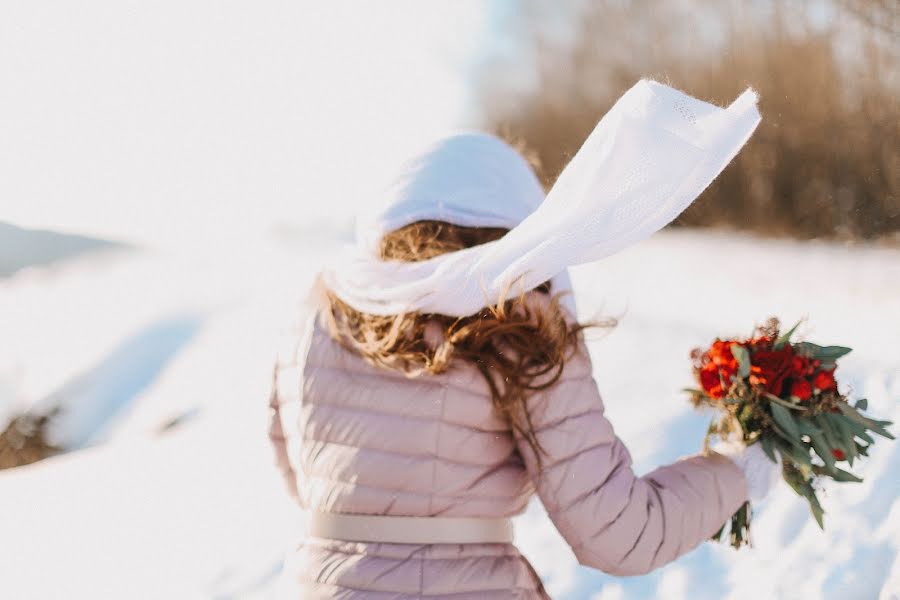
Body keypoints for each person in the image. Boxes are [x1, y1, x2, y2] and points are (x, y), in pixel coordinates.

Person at [268, 80, 778, 598]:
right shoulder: (516, 326)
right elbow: (621, 535)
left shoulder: (317, 315)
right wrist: (738, 469)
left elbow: (301, 479)